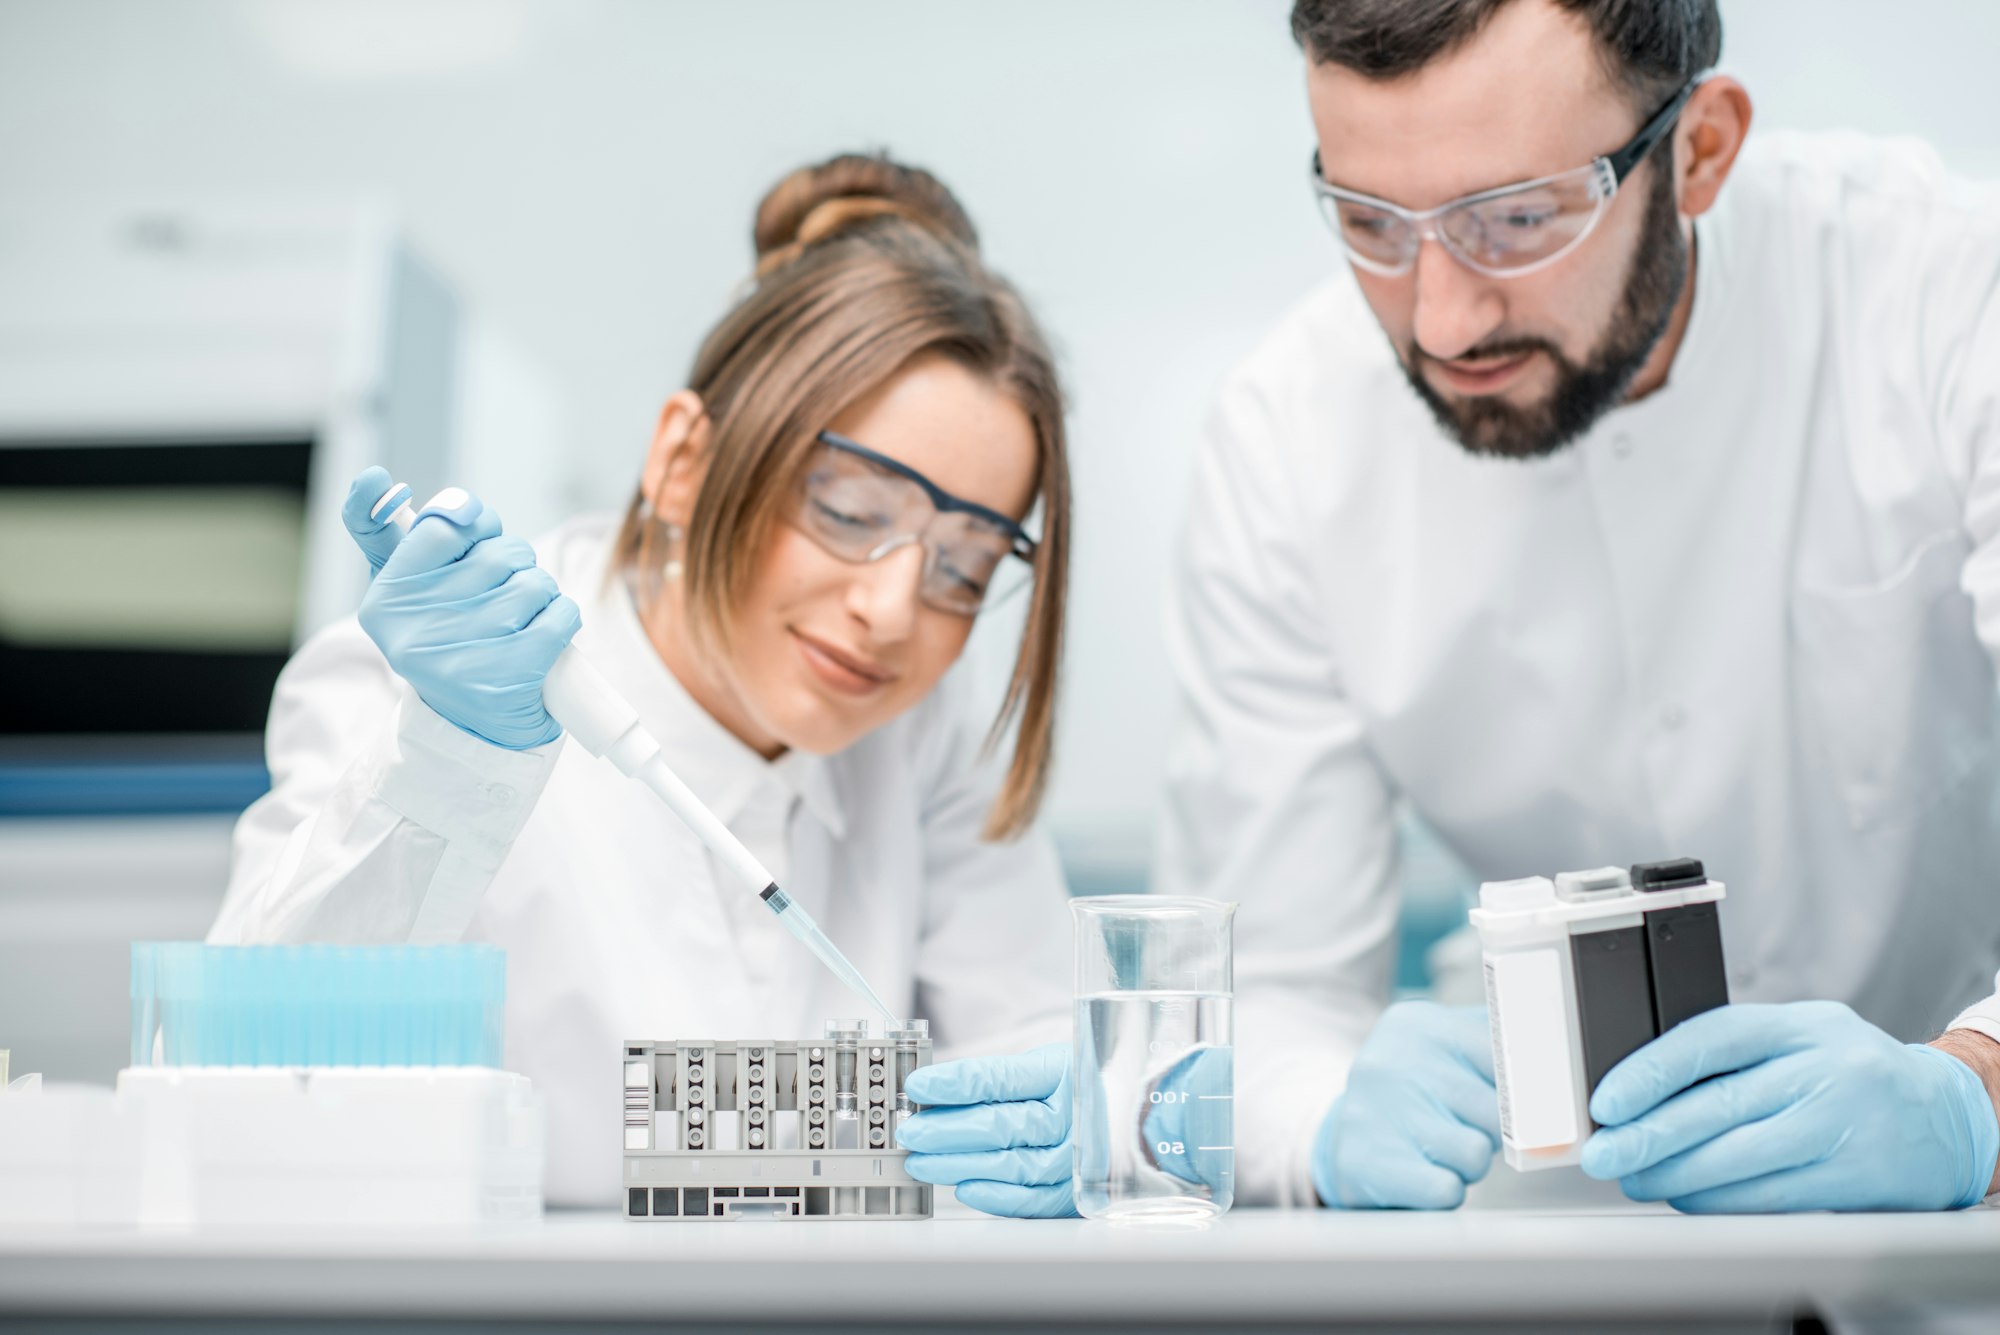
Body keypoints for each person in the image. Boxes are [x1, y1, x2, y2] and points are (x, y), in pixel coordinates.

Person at [1158, 0, 2000, 1212]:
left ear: (1699, 150)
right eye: (1368, 224)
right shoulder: (1286, 437)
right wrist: (1322, 1112)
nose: (1440, 318)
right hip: (1555, 1202)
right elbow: (1277, 989)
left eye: (1513, 219)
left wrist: (1969, 1092)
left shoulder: (1951, 300)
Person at [210, 152, 1078, 1210]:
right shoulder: (417, 682)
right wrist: (451, 761)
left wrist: (1072, 1118)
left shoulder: (922, 724)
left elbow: (1031, 1045)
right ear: (681, 458)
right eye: (848, 510)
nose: (893, 611)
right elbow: (246, 1090)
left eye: (964, 566)